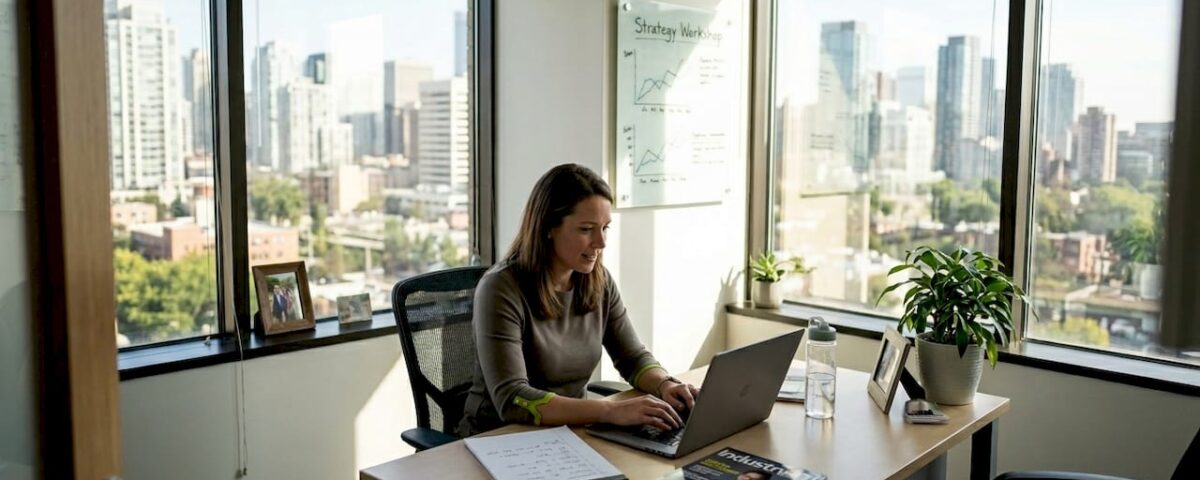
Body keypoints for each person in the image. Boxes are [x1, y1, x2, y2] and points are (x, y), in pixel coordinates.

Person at [457, 163, 700, 437]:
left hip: (569, 434)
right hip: (499, 438)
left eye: (605, 228)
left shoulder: (598, 280)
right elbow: (512, 398)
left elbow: (632, 358)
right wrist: (610, 411)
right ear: (549, 227)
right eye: (586, 229)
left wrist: (664, 385)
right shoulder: (500, 288)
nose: (601, 242)